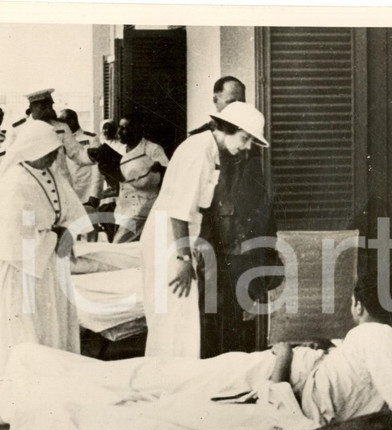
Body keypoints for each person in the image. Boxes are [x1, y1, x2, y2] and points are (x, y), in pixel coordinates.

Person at [0, 120, 93, 406]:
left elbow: (70, 211)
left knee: (50, 326)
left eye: (55, 151)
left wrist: (68, 233)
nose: (52, 157)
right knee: (17, 331)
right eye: (48, 151)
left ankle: (49, 393)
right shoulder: (15, 181)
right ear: (32, 148)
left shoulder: (52, 174)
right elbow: (14, 234)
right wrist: (55, 235)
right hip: (17, 269)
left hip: (46, 264)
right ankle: (17, 399)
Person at [140, 101, 269, 359]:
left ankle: (176, 378)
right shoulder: (198, 153)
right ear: (228, 128)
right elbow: (179, 212)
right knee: (174, 319)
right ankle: (169, 382)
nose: (246, 147)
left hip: (177, 242)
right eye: (245, 139)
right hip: (169, 244)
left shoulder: (209, 150)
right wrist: (184, 259)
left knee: (181, 320)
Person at [194, 77, 281, 357]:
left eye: (241, 101)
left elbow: (260, 202)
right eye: (231, 101)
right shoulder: (199, 143)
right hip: (210, 245)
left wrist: (265, 250)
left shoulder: (248, 143)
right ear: (216, 101)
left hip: (241, 248)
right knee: (208, 320)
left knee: (238, 322)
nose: (237, 108)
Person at [269, 277, 392, 425]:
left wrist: (284, 357)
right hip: (312, 371)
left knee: (262, 373)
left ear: (358, 307)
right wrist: (331, 347)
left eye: (352, 302)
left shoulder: (373, 336)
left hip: (299, 384)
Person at [3, 89, 97, 192]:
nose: (48, 110)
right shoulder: (18, 129)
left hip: (60, 185)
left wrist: (92, 155)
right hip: (31, 186)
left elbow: (76, 153)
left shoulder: (61, 127)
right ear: (31, 107)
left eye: (50, 106)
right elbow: (8, 159)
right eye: (43, 107)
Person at [111, 113, 169, 243]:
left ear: (137, 129)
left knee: (119, 246)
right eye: (119, 127)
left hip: (143, 207)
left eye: (124, 128)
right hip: (124, 206)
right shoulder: (120, 149)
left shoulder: (153, 149)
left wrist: (158, 168)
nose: (119, 132)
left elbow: (167, 175)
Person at [57, 108, 102, 206]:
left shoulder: (90, 138)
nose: (59, 125)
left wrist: (94, 193)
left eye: (62, 122)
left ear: (72, 121)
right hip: (67, 195)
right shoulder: (59, 139)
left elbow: (97, 168)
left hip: (86, 194)